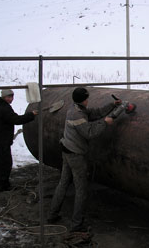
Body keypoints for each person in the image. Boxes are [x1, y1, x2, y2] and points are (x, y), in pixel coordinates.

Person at [47, 87, 119, 232]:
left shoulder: (76, 108)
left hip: (66, 150)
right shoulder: (77, 115)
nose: (88, 100)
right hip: (75, 155)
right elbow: (90, 132)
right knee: (81, 189)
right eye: (87, 98)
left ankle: (52, 214)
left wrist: (112, 105)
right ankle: (77, 224)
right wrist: (105, 122)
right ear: (83, 100)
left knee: (63, 183)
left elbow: (94, 113)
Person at [0, 89, 37, 191]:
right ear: (4, 97)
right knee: (5, 163)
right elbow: (16, 120)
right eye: (9, 97)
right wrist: (31, 115)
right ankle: (4, 185)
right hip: (2, 139)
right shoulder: (4, 108)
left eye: (12, 97)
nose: (11, 99)